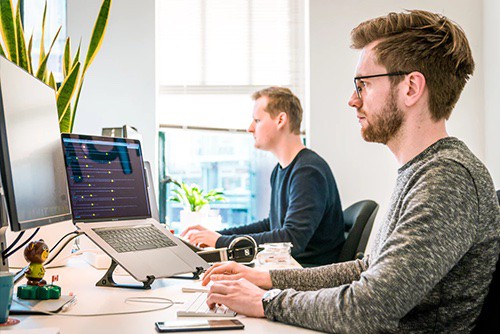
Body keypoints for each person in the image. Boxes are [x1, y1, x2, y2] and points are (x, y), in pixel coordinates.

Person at [199, 10, 500, 333]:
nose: (352, 100)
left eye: (363, 85)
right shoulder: (423, 171)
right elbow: (368, 269)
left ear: (411, 87)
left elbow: (369, 307)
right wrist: (266, 278)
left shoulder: (447, 178)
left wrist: (265, 301)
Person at [181, 87, 345, 266]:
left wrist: (221, 242)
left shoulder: (308, 172)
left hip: (307, 274)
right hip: (288, 268)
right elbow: (272, 225)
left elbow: (292, 240)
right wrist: (219, 235)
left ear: (281, 120)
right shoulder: (281, 170)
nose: (250, 128)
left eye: (257, 120)